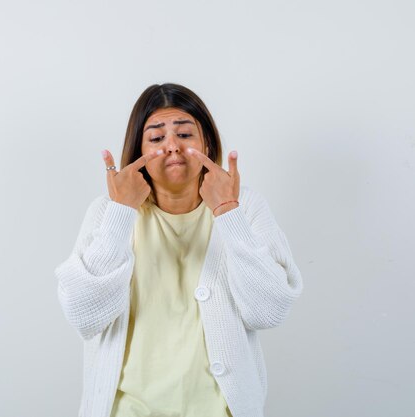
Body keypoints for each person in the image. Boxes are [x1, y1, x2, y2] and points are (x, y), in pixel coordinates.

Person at [54, 83, 304, 417]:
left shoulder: (245, 207)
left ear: (207, 143)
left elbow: (269, 311)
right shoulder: (108, 212)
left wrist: (229, 213)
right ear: (137, 149)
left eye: (185, 135)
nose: (172, 147)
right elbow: (84, 315)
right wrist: (121, 213)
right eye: (156, 138)